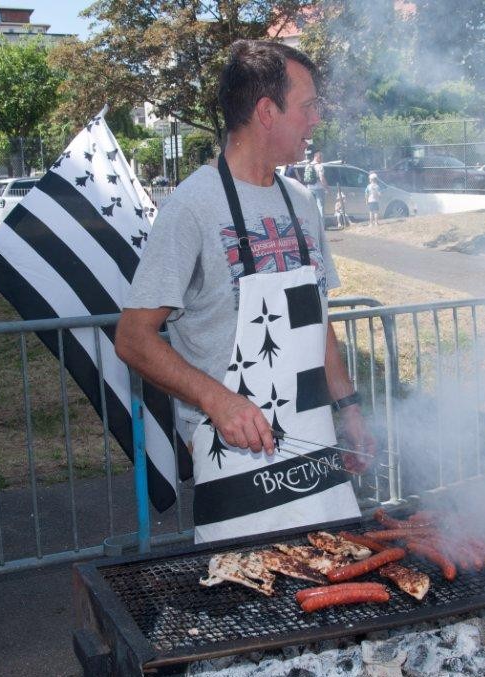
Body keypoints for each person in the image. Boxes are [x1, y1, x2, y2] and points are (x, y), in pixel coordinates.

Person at [115, 39, 374, 545]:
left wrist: (350, 407)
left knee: (335, 576)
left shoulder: (303, 203)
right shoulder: (192, 206)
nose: (317, 118)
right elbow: (133, 338)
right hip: (231, 456)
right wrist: (219, 400)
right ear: (267, 112)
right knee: (249, 588)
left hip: (314, 447)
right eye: (308, 106)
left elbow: (316, 318)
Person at [303, 149, 328, 225]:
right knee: (320, 207)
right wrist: (326, 187)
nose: (322, 159)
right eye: (321, 157)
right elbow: (321, 178)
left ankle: (312, 224)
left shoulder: (308, 166)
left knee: (311, 207)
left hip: (309, 189)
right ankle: (321, 225)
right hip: (318, 189)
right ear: (317, 157)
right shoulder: (319, 166)